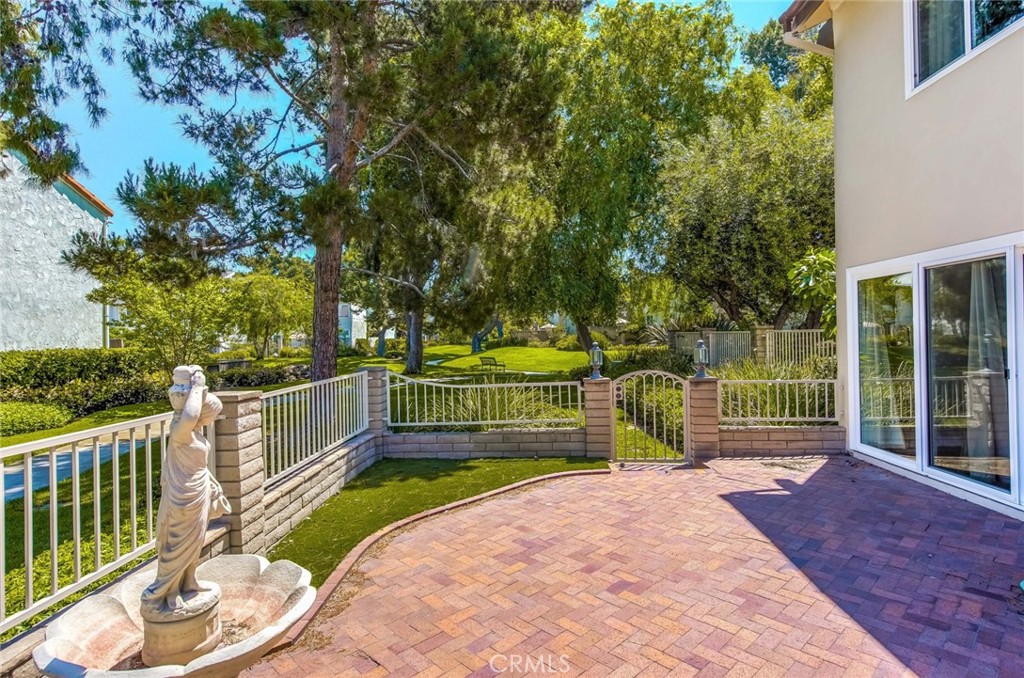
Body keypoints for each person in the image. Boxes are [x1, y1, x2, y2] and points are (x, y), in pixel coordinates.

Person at [141, 366, 231, 616]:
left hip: (198, 491)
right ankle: (168, 591)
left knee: (196, 539)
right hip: (181, 497)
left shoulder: (195, 432)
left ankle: (189, 580)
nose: (212, 420)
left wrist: (212, 482)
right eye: (211, 415)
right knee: (178, 544)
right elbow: (190, 415)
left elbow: (199, 462)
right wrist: (198, 386)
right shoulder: (181, 429)